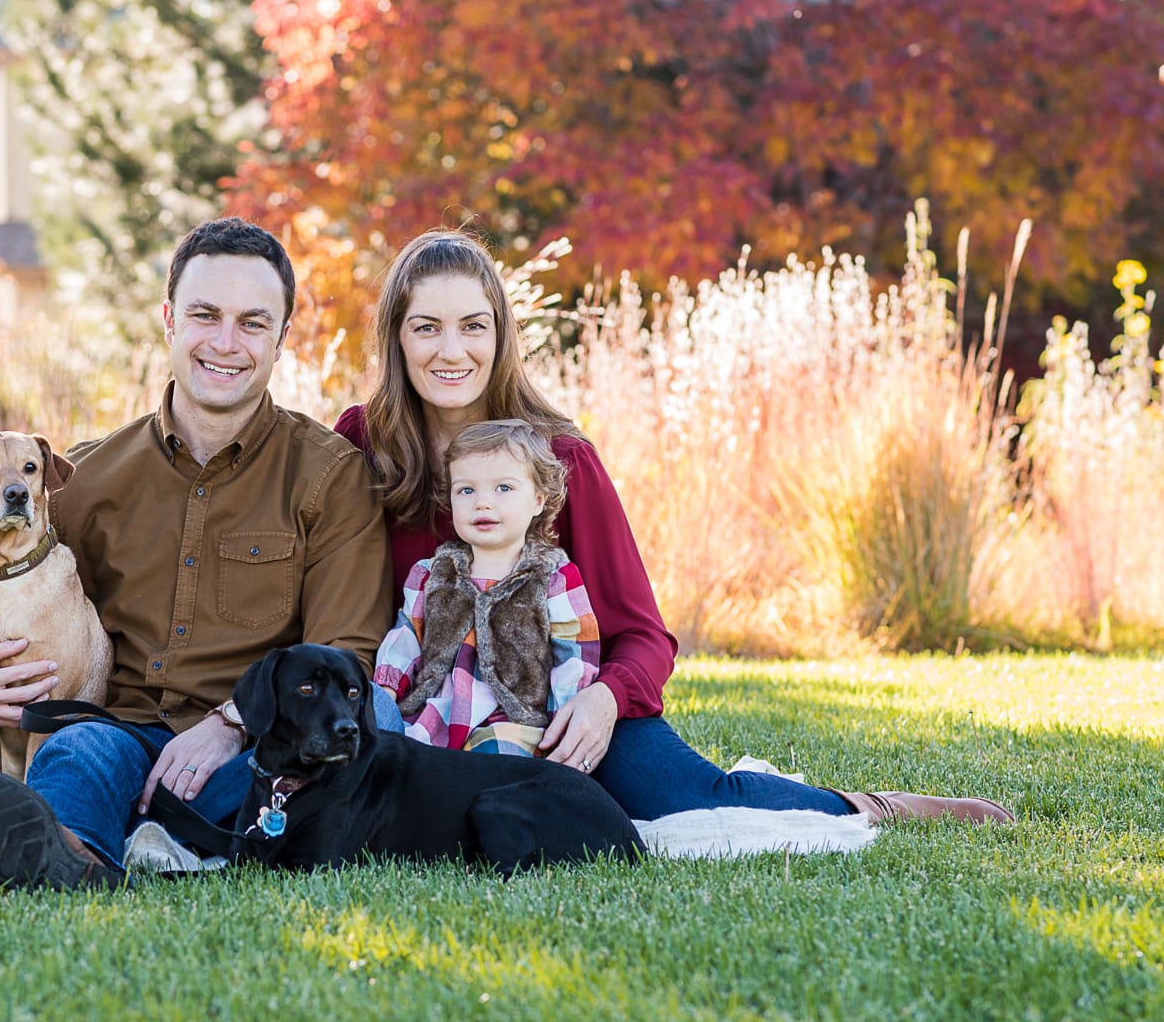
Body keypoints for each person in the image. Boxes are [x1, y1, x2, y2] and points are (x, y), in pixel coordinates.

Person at [337, 229, 1013, 826]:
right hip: (428, 708)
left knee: (678, 797)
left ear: (500, 335)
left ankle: (870, 807)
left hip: (555, 701)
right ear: (397, 336)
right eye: (426, 327)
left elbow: (644, 634)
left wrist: (602, 704)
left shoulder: (562, 461)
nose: (450, 350)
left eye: (472, 326)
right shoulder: (361, 443)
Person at [0, 218, 394, 889]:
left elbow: (347, 647)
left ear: (282, 339)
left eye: (253, 323)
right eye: (205, 315)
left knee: (285, 781)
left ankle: (163, 833)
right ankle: (69, 854)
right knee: (78, 754)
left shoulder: (329, 477)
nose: (226, 344)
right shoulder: (84, 476)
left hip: (253, 745)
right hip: (119, 731)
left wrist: (233, 722)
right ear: (169, 320)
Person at [375, 419, 601, 758]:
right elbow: (406, 637)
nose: (482, 503)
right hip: (435, 715)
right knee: (400, 756)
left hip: (515, 722)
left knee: (497, 764)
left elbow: (574, 655)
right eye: (466, 490)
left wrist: (562, 720)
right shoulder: (431, 575)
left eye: (503, 488)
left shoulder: (553, 577)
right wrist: (387, 689)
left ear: (539, 499)